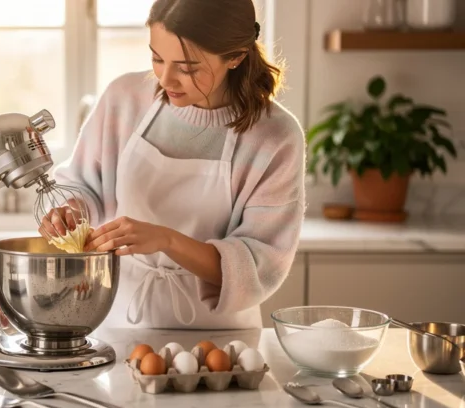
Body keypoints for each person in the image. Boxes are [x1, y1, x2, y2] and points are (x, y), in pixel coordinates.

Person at [41, 0, 306, 329]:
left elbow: (260, 263)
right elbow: (84, 184)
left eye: (188, 68)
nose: (166, 79)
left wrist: (167, 240)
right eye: (157, 57)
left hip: (221, 336)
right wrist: (71, 210)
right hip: (119, 319)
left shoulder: (275, 136)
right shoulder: (123, 99)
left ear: (236, 57)